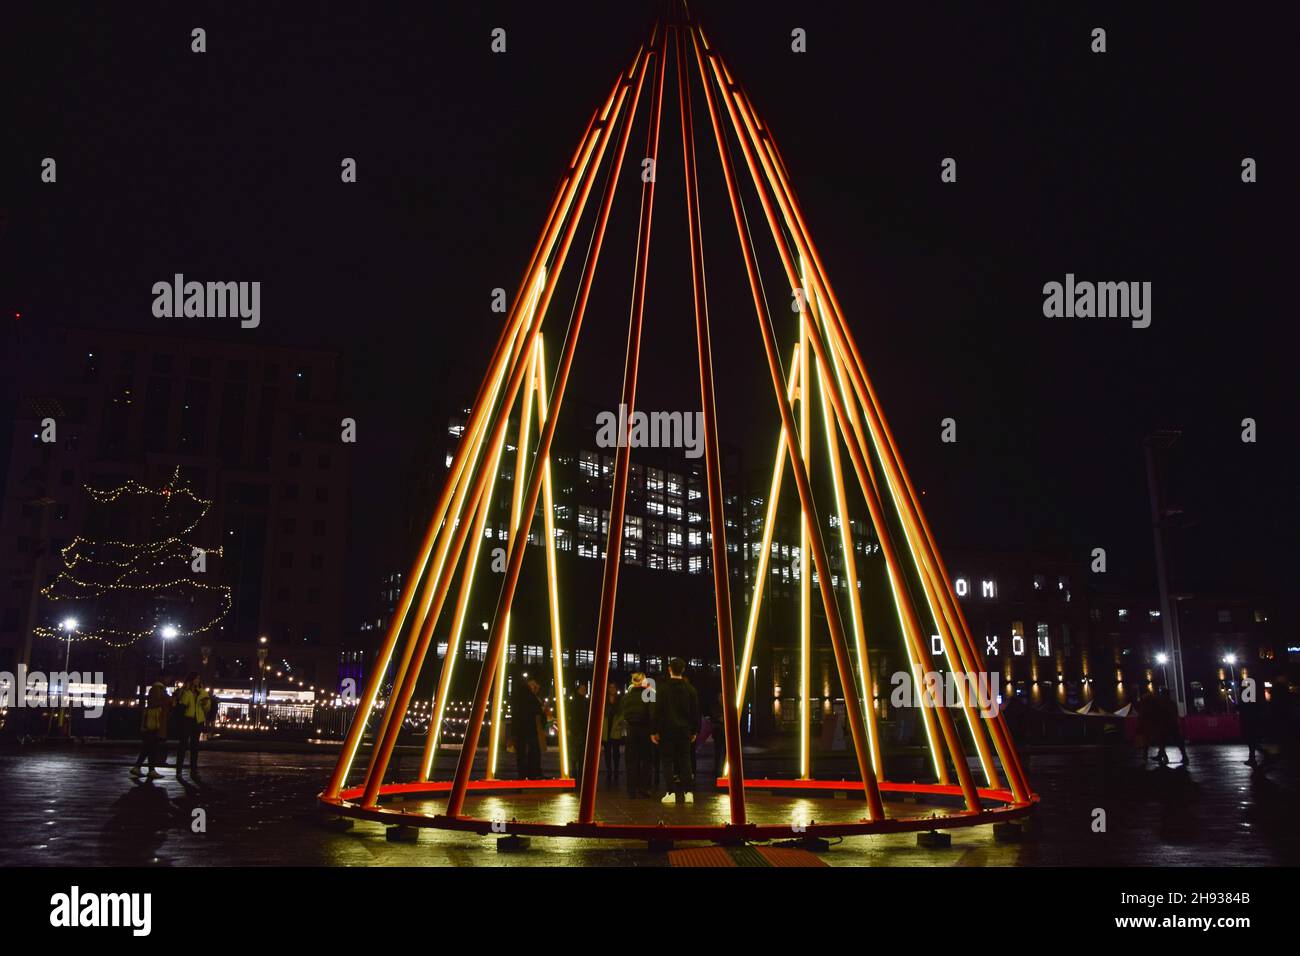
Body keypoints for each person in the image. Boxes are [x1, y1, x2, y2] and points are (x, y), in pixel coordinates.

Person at [652, 658, 700, 803]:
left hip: (667, 730)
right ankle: (688, 793)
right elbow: (695, 712)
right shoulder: (690, 689)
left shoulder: (662, 689)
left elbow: (657, 711)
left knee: (667, 761)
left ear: (669, 669)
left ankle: (670, 793)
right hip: (685, 731)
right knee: (685, 760)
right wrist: (694, 731)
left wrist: (654, 731)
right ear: (683, 669)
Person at [131, 673, 173, 779]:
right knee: (151, 746)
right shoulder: (158, 689)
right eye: (168, 678)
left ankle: (143, 768)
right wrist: (168, 700)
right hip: (155, 722)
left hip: (154, 721)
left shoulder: (157, 689)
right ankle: (147, 769)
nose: (169, 680)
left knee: (149, 747)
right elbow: (154, 703)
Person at [620, 672, 652, 797]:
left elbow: (623, 712)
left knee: (631, 760)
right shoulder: (648, 694)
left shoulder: (626, 697)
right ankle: (643, 788)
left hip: (631, 730)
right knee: (646, 760)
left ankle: (631, 790)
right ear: (643, 680)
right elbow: (652, 713)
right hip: (645, 729)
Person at [174, 673, 208, 780]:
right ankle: (179, 771)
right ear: (191, 680)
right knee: (183, 746)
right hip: (188, 720)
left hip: (197, 721)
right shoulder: (186, 692)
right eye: (196, 678)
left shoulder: (202, 692)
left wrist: (205, 704)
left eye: (199, 678)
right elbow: (181, 707)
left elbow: (207, 708)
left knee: (194, 747)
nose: (198, 680)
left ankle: (193, 770)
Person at [511, 676, 545, 779]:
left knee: (523, 752)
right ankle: (533, 773)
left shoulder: (520, 695)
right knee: (533, 751)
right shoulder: (530, 696)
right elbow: (537, 710)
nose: (537, 687)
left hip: (522, 728)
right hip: (530, 728)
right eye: (535, 685)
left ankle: (524, 774)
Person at [1154, 687, 1188, 765]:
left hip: (1167, 725)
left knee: (1162, 740)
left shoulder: (1163, 704)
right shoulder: (1171, 703)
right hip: (1172, 724)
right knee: (1172, 741)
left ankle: (1164, 757)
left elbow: (1163, 715)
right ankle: (1184, 756)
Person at [600, 683, 625, 784]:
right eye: (610, 687)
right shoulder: (604, 699)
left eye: (614, 687)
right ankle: (609, 769)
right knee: (607, 751)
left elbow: (623, 713)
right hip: (606, 728)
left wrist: (619, 722)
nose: (612, 689)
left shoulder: (620, 700)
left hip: (615, 728)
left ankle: (615, 770)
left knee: (616, 752)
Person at [567, 681, 590, 778]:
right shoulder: (574, 702)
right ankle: (575, 770)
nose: (583, 691)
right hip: (575, 730)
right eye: (581, 689)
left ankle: (580, 770)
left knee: (581, 752)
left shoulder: (586, 702)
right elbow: (569, 715)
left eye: (584, 689)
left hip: (583, 730)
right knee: (575, 752)